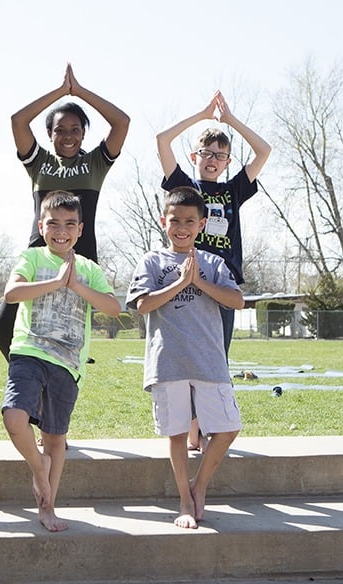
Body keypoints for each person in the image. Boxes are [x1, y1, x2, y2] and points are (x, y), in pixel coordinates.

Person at [0, 63, 129, 361]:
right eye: (59, 130)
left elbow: (122, 122)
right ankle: (27, 376)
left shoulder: (95, 164)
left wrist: (78, 92)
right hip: (40, 250)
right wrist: (59, 92)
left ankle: (54, 387)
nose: (68, 136)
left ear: (84, 133)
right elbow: (18, 121)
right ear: (50, 134)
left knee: (67, 333)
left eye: (75, 130)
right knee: (2, 329)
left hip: (79, 255)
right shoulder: (38, 162)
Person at [156, 91, 271, 450]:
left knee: (216, 359)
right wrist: (202, 115)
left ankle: (208, 427)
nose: (212, 159)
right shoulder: (185, 190)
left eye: (220, 155)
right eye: (206, 153)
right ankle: (193, 430)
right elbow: (161, 141)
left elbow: (264, 151)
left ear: (227, 161)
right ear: (195, 156)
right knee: (190, 357)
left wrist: (230, 120)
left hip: (221, 285)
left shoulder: (233, 189)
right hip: (187, 284)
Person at [125, 186, 245, 529]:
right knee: (176, 434)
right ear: (164, 221)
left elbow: (236, 301)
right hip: (168, 362)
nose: (182, 227)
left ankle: (199, 486)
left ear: (202, 224)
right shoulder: (152, 261)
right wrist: (179, 283)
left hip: (209, 361)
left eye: (190, 221)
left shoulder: (213, 263)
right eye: (175, 220)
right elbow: (143, 305)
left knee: (228, 429)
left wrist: (199, 282)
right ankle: (183, 500)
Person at [1, 191, 121, 532]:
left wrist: (76, 286)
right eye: (53, 223)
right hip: (29, 352)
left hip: (68, 363)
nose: (61, 230)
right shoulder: (33, 258)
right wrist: (55, 282)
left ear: (80, 230)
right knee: (14, 416)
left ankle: (48, 506)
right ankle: (40, 469)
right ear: (42, 226)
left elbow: (113, 308)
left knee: (55, 437)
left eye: (69, 224)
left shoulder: (88, 268)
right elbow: (12, 293)